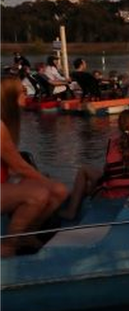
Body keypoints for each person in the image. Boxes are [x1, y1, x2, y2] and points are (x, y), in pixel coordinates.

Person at [0, 75, 68, 243]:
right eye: (23, 92)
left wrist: (44, 181)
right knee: (38, 195)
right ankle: (8, 246)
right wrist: (45, 181)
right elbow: (19, 166)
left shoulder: (6, 122)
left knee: (58, 191)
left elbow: (13, 167)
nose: (27, 95)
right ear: (9, 95)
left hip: (4, 183)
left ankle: (27, 233)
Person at [60, 110, 129, 220]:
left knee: (84, 171)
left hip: (114, 195)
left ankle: (71, 211)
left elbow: (107, 171)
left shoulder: (113, 142)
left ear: (119, 127)